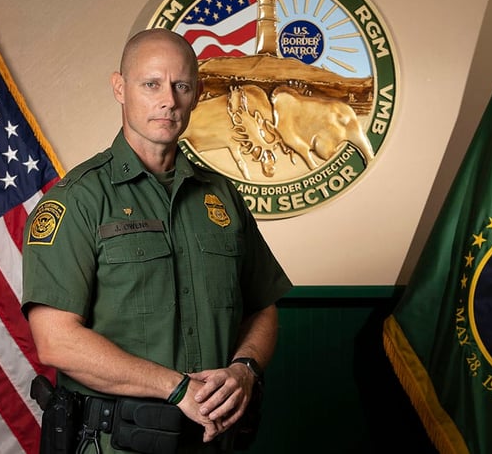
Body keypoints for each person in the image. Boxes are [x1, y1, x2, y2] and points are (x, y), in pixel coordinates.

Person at [21, 28, 293, 453]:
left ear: (197, 94)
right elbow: (56, 339)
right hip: (115, 444)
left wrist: (244, 370)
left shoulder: (221, 197)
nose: (168, 99)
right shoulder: (78, 200)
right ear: (120, 88)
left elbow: (263, 307)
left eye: (181, 85)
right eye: (151, 84)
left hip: (214, 443)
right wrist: (176, 388)